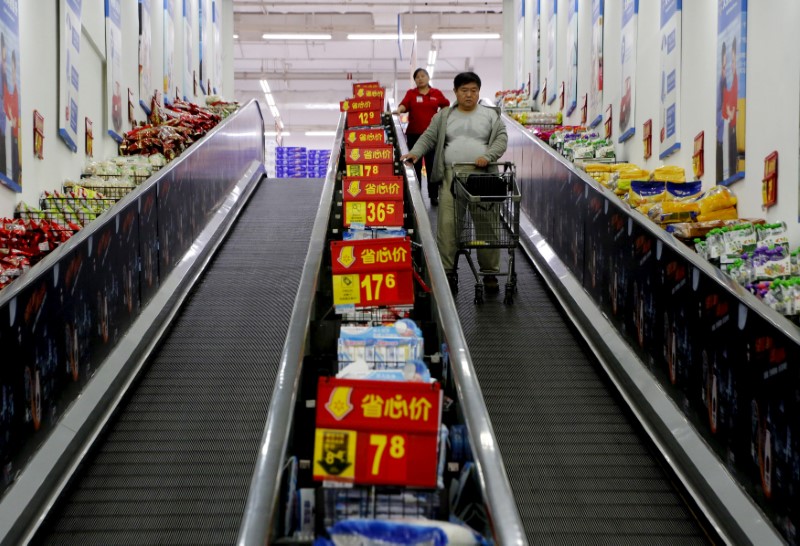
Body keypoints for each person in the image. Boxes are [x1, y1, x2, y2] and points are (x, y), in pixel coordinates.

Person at [400, 71, 508, 294]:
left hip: (483, 177)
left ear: (479, 92)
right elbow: (429, 137)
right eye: (464, 90)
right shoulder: (444, 116)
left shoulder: (490, 115)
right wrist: (414, 153)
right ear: (456, 92)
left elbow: (501, 139)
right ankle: (448, 272)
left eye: (474, 90)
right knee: (448, 225)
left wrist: (488, 156)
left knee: (487, 226)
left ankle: (490, 274)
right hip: (451, 175)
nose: (469, 95)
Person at [393, 68, 450, 206]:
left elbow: (446, 105)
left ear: (428, 77)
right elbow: (404, 105)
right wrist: (398, 111)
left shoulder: (436, 93)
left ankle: (433, 196)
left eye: (423, 76)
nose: (420, 79)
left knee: (432, 166)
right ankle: (416, 195)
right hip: (414, 135)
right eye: (417, 77)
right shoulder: (411, 94)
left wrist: (442, 118)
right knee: (415, 166)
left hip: (432, 136)